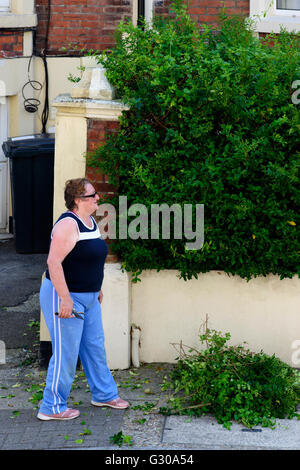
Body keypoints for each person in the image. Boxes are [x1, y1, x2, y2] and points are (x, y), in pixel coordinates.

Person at [37, 178, 129, 421]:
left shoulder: (89, 222)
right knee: (66, 352)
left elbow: (88, 259)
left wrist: (95, 288)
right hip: (66, 297)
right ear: (78, 200)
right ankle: (51, 406)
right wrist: (65, 299)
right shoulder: (68, 225)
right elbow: (53, 263)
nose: (98, 198)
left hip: (88, 297)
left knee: (95, 346)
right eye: (92, 195)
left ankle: (104, 394)